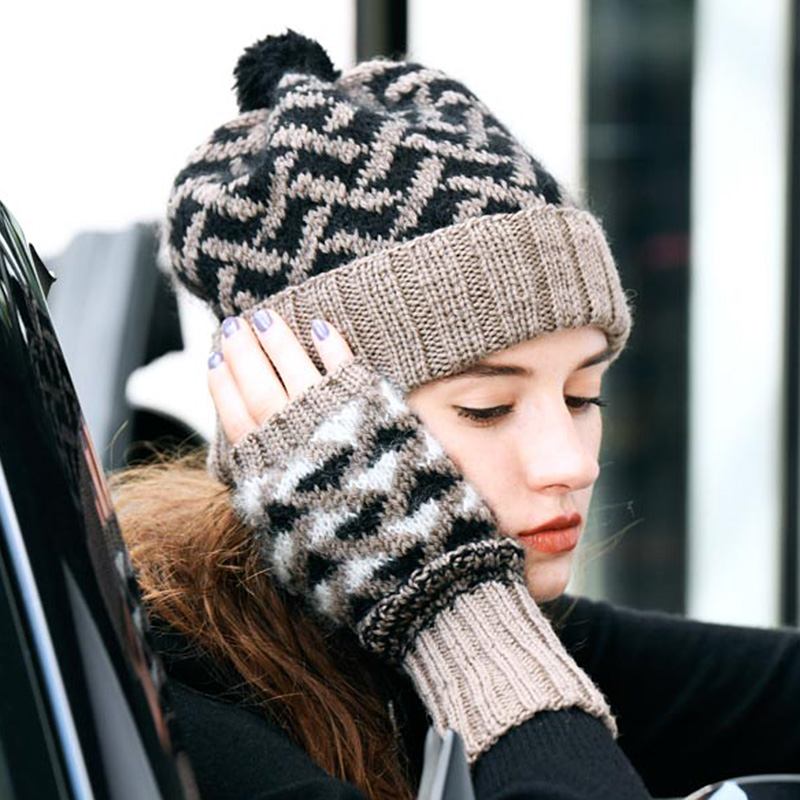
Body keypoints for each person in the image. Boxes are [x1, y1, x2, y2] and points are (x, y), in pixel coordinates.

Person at [110, 31, 800, 800]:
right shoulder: (179, 701)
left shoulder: (529, 615)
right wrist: (450, 603)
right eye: (487, 408)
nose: (572, 463)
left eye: (583, 396)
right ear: (311, 432)